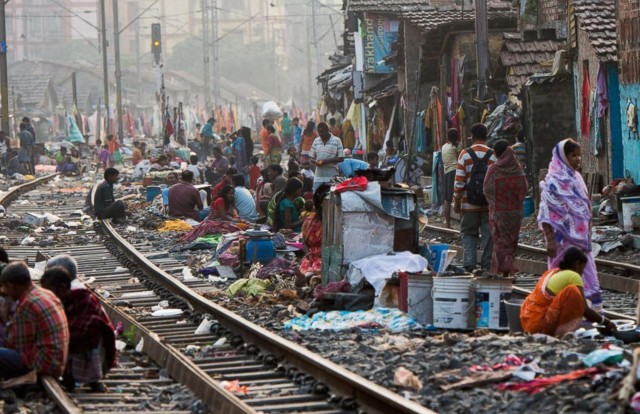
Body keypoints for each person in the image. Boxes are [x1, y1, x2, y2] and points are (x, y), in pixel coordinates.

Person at [538, 138, 602, 309]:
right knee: (561, 278)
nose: (578, 159)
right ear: (563, 157)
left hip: (581, 242)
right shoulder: (552, 182)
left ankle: (590, 313)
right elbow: (545, 214)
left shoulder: (577, 178)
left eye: (579, 155)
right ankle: (562, 313)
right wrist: (550, 240)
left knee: (588, 276)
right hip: (561, 243)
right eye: (573, 155)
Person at [40, 267, 115, 392]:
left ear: (62, 288)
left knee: (72, 341)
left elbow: (89, 328)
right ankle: (68, 377)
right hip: (71, 343)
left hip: (92, 346)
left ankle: (93, 380)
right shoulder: (59, 301)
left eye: (50, 291)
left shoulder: (84, 299)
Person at [520, 247, 616, 337]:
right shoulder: (573, 276)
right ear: (577, 264)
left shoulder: (553, 272)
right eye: (583, 267)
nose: (583, 272)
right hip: (540, 326)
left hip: (529, 322)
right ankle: (562, 333)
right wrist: (606, 322)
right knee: (573, 293)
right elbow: (585, 310)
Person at [0, 262, 69, 381]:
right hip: (56, 361)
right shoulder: (44, 293)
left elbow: (17, 346)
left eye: (5, 287)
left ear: (11, 285)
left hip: (44, 363)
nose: (5, 291)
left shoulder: (27, 304)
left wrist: (4, 318)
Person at [453, 123, 497, 272]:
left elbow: (459, 181)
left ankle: (470, 265)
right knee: (488, 235)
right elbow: (495, 181)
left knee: (468, 233)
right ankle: (486, 265)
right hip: (487, 204)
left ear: (472, 136)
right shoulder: (493, 155)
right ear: (486, 136)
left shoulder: (464, 154)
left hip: (468, 203)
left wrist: (457, 201)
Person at [483, 139, 527, 277]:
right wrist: (516, 202)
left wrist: (495, 203)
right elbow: (524, 187)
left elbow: (486, 189)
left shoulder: (494, 169)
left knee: (500, 241)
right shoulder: (517, 168)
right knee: (511, 240)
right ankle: (508, 268)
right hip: (515, 212)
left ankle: (502, 269)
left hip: (499, 212)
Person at [300, 184, 330, 275]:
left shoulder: (334, 221)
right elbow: (304, 242)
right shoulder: (310, 220)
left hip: (326, 258)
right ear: (321, 204)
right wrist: (309, 256)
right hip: (312, 258)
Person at [310, 122, 344, 191]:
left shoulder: (337, 140)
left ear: (327, 130)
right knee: (316, 195)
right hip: (319, 175)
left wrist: (327, 161)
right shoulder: (316, 141)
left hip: (332, 174)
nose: (320, 134)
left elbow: (341, 158)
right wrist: (316, 162)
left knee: (332, 195)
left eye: (322, 132)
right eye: (319, 132)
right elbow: (311, 158)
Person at [442, 128, 461, 228]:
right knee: (460, 196)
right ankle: (463, 223)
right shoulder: (457, 146)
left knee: (447, 199)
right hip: (455, 171)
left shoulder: (444, 147)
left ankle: (448, 224)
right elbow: (461, 158)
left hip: (447, 172)